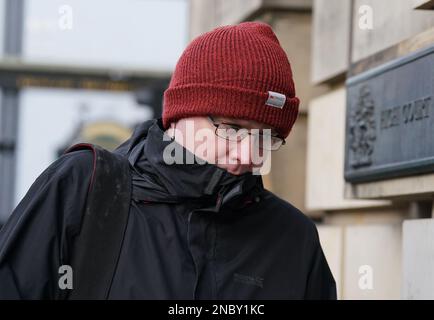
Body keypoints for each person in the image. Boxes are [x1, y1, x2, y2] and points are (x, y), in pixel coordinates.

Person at [0, 21, 336, 299]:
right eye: (232, 128)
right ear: (178, 116)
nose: (248, 155)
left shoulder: (294, 240)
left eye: (267, 136)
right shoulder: (84, 190)